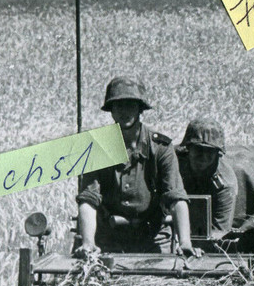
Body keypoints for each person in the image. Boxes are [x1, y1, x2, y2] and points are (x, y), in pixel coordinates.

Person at [76, 77, 199, 255]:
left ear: (140, 109)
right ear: (111, 110)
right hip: (108, 238)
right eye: (118, 106)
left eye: (130, 105)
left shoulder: (160, 149)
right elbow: (88, 200)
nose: (124, 112)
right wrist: (88, 242)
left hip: (153, 238)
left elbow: (176, 198)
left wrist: (185, 241)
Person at [176, 119, 238, 240]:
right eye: (198, 149)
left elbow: (220, 231)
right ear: (188, 148)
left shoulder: (225, 184)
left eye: (210, 151)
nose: (203, 156)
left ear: (218, 153)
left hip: (206, 230)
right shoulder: (173, 162)